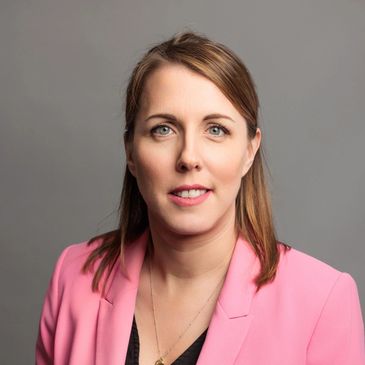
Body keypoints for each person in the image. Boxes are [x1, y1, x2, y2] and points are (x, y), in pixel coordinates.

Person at [35, 30, 365, 365]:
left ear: (249, 151)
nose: (189, 157)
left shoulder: (323, 301)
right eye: (163, 129)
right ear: (131, 152)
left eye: (216, 130)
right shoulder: (73, 276)